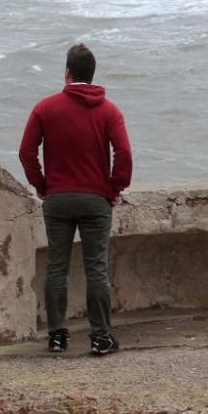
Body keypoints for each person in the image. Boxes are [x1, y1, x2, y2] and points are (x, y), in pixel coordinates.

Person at [19, 43, 133, 355]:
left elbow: (26, 152)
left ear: (67, 73)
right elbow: (123, 154)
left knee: (57, 267)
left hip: (58, 199)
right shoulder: (110, 111)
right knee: (96, 268)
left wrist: (42, 185)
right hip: (96, 200)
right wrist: (114, 188)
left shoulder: (45, 108)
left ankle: (57, 336)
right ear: (91, 75)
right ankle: (100, 337)